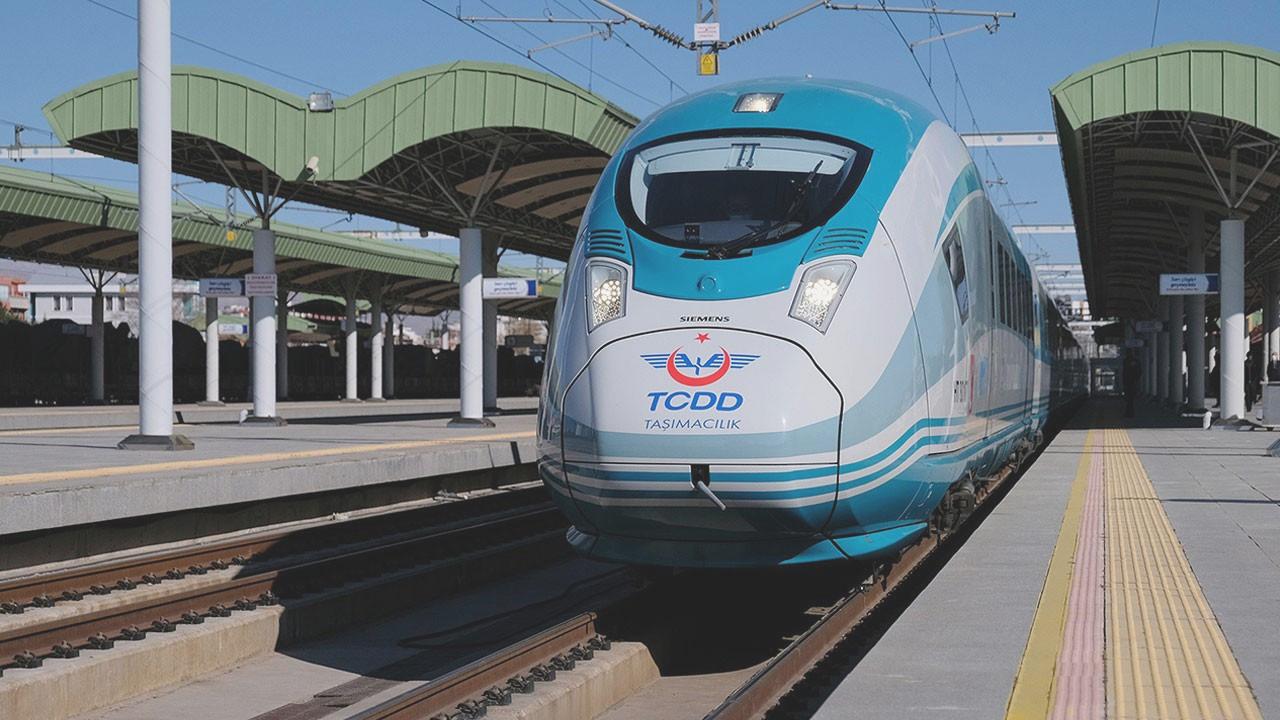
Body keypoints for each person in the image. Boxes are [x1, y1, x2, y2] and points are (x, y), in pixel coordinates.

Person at [1122, 349, 1142, 418]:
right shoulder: (1136, 361)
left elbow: (1124, 372)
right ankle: (1130, 413)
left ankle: (1129, 413)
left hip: (1128, 382)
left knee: (1128, 398)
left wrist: (1124, 382)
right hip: (1133, 382)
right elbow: (1139, 371)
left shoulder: (1126, 361)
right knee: (1131, 399)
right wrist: (1136, 379)